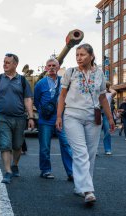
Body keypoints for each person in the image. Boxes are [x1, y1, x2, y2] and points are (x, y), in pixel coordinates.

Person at [56, 43, 114, 204]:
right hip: (72, 116)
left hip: (93, 117)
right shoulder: (71, 72)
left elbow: (103, 98)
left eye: (82, 55)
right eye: (77, 55)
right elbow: (62, 96)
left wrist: (110, 118)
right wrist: (59, 116)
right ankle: (88, 190)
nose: (79, 58)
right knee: (81, 152)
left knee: (90, 153)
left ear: (91, 55)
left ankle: (79, 186)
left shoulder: (100, 74)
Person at [0, 53, 35, 184]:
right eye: (4, 62)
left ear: (15, 64)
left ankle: (15, 165)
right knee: (5, 144)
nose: (4, 64)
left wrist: (31, 117)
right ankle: (8, 171)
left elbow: (27, 99)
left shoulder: (22, 81)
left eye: (8, 62)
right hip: (2, 118)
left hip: (19, 118)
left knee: (17, 145)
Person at [34, 58, 73, 180]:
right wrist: (44, 112)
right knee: (45, 146)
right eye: (49, 65)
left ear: (58, 67)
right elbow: (36, 100)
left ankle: (71, 172)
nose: (51, 67)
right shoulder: (40, 83)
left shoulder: (64, 82)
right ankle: (45, 170)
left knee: (66, 144)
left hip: (61, 119)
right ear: (46, 68)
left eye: (54, 65)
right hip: (45, 120)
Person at [100, 81, 117, 155]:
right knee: (95, 133)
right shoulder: (97, 93)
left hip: (107, 115)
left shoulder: (109, 94)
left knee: (107, 132)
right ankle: (94, 150)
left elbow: (114, 91)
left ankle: (108, 149)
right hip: (97, 114)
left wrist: (109, 87)